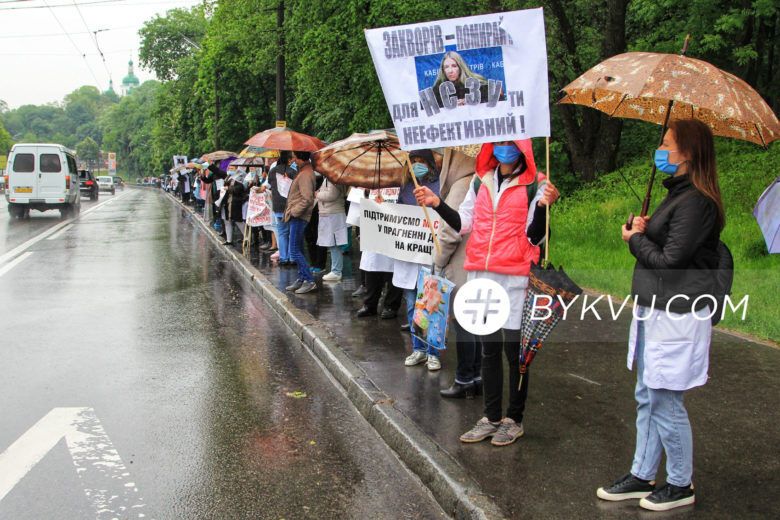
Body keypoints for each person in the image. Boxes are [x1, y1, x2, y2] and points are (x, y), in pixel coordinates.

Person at [596, 119, 725, 512]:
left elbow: (670, 262)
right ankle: (642, 473)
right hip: (655, 310)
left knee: (666, 397)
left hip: (677, 314)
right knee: (648, 394)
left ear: (687, 152)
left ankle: (681, 482)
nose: (661, 149)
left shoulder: (698, 201)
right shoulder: (678, 195)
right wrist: (647, 230)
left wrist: (635, 240)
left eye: (667, 143)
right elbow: (672, 244)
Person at [415, 140, 558, 447]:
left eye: (510, 142)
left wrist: (545, 208)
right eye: (500, 142)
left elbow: (535, 235)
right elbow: (464, 222)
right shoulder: (482, 180)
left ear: (522, 147)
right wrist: (436, 202)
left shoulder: (536, 184)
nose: (504, 148)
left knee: (515, 353)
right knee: (489, 348)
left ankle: (514, 420)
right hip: (482, 272)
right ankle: (491, 417)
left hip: (515, 276)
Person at [433, 148, 482, 398]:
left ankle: (465, 378)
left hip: (460, 264)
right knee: (477, 323)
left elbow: (451, 230)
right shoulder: (485, 180)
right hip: (478, 262)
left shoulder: (463, 184)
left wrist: (438, 261)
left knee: (464, 325)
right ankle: (478, 376)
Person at [394, 149, 442, 371]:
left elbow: (444, 213)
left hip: (429, 254)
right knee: (413, 305)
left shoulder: (438, 185)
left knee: (431, 305)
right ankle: (418, 349)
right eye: (413, 161)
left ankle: (433, 352)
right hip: (408, 255)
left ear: (430, 164)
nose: (417, 165)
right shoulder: (405, 187)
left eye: (421, 161)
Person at [283, 150, 318, 294]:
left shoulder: (305, 174)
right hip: (297, 216)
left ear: (301, 158)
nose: (293, 160)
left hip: (299, 216)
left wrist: (294, 212)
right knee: (298, 249)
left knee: (294, 250)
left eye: (295, 158)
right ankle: (302, 277)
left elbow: (307, 198)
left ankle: (309, 280)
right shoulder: (304, 171)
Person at [432, 51, 500, 108]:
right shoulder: (438, 88)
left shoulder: (474, 82)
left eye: (454, 66)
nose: (450, 71)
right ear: (443, 70)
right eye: (446, 67)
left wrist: (470, 100)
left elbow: (498, 93)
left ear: (460, 67)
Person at [315, 178, 348, 282]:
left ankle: (336, 271)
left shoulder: (333, 179)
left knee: (334, 242)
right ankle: (335, 270)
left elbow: (331, 195)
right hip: (330, 213)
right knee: (332, 243)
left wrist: (317, 194)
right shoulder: (330, 178)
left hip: (333, 213)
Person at [268, 152, 297, 265]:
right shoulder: (293, 172)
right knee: (290, 233)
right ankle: (292, 257)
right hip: (289, 207)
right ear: (289, 160)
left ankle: (284, 258)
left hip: (277, 207)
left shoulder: (272, 171)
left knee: (282, 233)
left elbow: (270, 184)